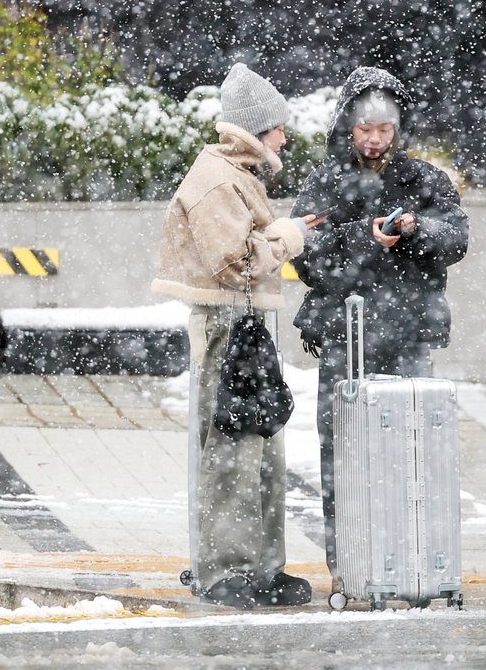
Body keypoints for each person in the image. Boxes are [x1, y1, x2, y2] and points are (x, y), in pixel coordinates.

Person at [152, 62, 325, 609]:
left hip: (245, 325)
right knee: (232, 449)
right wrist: (288, 237)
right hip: (227, 327)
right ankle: (224, 569)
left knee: (262, 444)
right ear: (254, 127)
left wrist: (279, 235)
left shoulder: (237, 174)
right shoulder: (216, 180)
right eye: (277, 126)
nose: (284, 136)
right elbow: (235, 265)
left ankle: (261, 568)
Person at [290, 66, 470, 582]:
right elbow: (306, 258)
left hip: (409, 334)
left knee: (412, 452)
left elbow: (456, 238)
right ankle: (348, 564)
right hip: (345, 336)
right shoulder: (325, 182)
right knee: (342, 453)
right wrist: (363, 239)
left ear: (399, 129)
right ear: (348, 127)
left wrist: (418, 228)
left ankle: (410, 561)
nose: (373, 140)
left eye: (384, 129)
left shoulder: (425, 180)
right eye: (365, 129)